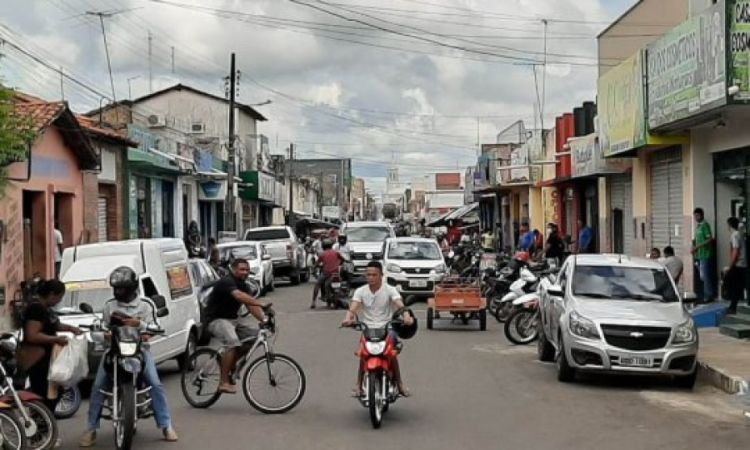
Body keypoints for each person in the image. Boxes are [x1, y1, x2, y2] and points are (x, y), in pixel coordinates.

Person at [80, 267, 178, 446]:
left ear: (132, 288)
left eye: (122, 288)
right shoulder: (110, 306)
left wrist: (141, 326)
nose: (118, 292)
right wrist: (103, 334)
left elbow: (155, 326)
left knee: (155, 384)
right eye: (116, 288)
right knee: (98, 386)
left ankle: (166, 425)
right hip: (114, 351)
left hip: (140, 351)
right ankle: (91, 429)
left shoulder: (146, 305)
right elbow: (101, 327)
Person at [341, 261, 414, 397]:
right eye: (368, 275)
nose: (371, 278)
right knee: (363, 354)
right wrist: (347, 319)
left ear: (381, 275)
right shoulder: (360, 291)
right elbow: (353, 308)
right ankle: (358, 385)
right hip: (368, 328)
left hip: (387, 327)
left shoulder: (390, 289)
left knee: (391, 354)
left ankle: (400, 384)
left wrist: (406, 315)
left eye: (374, 275)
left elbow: (400, 304)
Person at [203, 259, 268, 395]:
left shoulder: (244, 285)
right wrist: (260, 303)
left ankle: (230, 363)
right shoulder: (226, 282)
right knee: (232, 342)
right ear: (233, 270)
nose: (245, 272)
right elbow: (238, 296)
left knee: (255, 337)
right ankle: (223, 382)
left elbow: (251, 306)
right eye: (242, 269)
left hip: (233, 321)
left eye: (247, 270)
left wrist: (264, 319)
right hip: (216, 320)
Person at [18, 280, 82, 413]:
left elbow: (53, 324)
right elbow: (32, 335)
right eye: (59, 297)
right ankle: (40, 423)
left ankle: (45, 422)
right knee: (43, 396)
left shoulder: (46, 308)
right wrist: (56, 339)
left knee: (53, 393)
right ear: (52, 294)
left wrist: (71, 329)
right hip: (38, 360)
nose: (59, 301)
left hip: (48, 359)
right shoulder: (36, 308)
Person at [723, 217, 747, 314]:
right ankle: (733, 306)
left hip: (738, 264)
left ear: (729, 225)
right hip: (742, 264)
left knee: (732, 284)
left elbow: (735, 251)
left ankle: (732, 307)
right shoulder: (740, 234)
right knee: (737, 286)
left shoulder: (735, 235)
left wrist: (730, 265)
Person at [691, 207, 715, 302]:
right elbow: (696, 240)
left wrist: (698, 246)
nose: (696, 217)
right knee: (702, 276)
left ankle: (708, 295)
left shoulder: (705, 225)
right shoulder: (698, 227)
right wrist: (694, 248)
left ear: (702, 215)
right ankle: (706, 294)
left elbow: (709, 239)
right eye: (695, 216)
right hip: (699, 255)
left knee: (705, 276)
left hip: (706, 254)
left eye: (697, 215)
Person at [311, 239, 343, 309]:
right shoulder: (336, 253)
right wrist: (338, 264)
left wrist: (313, 268)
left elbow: (316, 264)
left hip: (326, 273)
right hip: (336, 273)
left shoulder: (322, 254)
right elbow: (342, 259)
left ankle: (313, 302)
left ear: (323, 246)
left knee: (317, 284)